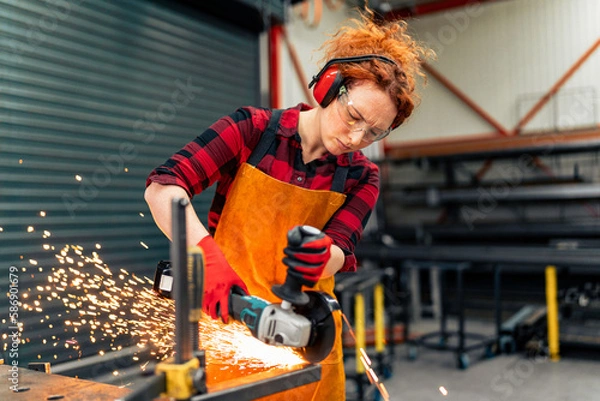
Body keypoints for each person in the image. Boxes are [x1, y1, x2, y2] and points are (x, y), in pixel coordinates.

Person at [145, 7, 428, 401]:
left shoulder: (363, 175)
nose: (356, 137)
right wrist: (206, 257)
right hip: (229, 320)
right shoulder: (251, 130)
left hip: (308, 335)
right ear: (330, 88)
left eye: (373, 132)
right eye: (353, 117)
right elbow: (163, 189)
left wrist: (321, 256)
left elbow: (339, 248)